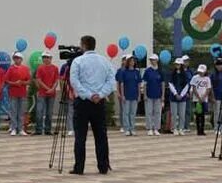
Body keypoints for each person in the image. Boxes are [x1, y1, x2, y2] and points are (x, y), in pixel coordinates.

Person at [67, 36, 116, 174]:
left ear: (83, 45)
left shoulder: (77, 61)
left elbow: (74, 82)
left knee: (80, 136)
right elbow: (111, 82)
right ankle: (103, 166)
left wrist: (88, 95)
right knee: (101, 135)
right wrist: (100, 94)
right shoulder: (105, 61)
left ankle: (79, 167)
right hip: (99, 102)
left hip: (83, 102)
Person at [4, 49, 31, 136]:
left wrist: (22, 82)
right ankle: (13, 128)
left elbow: (29, 81)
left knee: (21, 111)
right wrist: (14, 83)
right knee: (13, 111)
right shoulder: (11, 69)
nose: (17, 60)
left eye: (18, 58)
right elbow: (6, 80)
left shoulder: (25, 69)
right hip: (13, 93)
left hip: (22, 93)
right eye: (15, 58)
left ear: (21, 59)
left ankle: (21, 129)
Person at [34, 50, 60, 135]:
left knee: (49, 112)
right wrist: (47, 88)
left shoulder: (55, 68)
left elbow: (57, 80)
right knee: (39, 111)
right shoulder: (40, 68)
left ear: (51, 58)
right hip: (42, 93)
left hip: (52, 94)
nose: (45, 59)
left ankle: (48, 130)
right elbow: (39, 80)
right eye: (44, 57)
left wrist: (52, 89)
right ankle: (38, 130)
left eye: (47, 57)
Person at [116, 56, 142, 136]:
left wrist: (139, 95)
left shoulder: (137, 72)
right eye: (130, 61)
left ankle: (132, 128)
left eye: (133, 61)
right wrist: (122, 95)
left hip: (134, 95)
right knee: (126, 113)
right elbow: (122, 84)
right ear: (128, 62)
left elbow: (139, 84)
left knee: (133, 113)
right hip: (126, 95)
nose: (132, 62)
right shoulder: (124, 72)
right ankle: (126, 129)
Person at [167, 57, 192, 135]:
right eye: (176, 64)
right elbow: (170, 84)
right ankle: (174, 128)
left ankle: (181, 128)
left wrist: (181, 94)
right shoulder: (172, 74)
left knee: (182, 114)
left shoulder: (184, 74)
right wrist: (175, 93)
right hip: (173, 97)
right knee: (174, 114)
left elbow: (187, 85)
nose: (177, 66)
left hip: (182, 97)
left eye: (178, 64)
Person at [143, 54, 165, 135]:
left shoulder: (160, 71)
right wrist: (144, 94)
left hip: (158, 95)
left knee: (157, 112)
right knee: (149, 112)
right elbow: (145, 84)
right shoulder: (147, 71)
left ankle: (156, 128)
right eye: (151, 60)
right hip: (149, 94)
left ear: (157, 61)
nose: (152, 61)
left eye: (154, 60)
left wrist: (163, 96)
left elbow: (162, 84)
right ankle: (149, 128)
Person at [189, 63, 213, 134]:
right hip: (197, 99)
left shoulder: (207, 78)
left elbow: (208, 88)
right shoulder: (195, 77)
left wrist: (204, 96)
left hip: (204, 99)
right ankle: (198, 129)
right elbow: (194, 88)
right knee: (198, 114)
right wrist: (198, 97)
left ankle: (202, 129)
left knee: (202, 115)